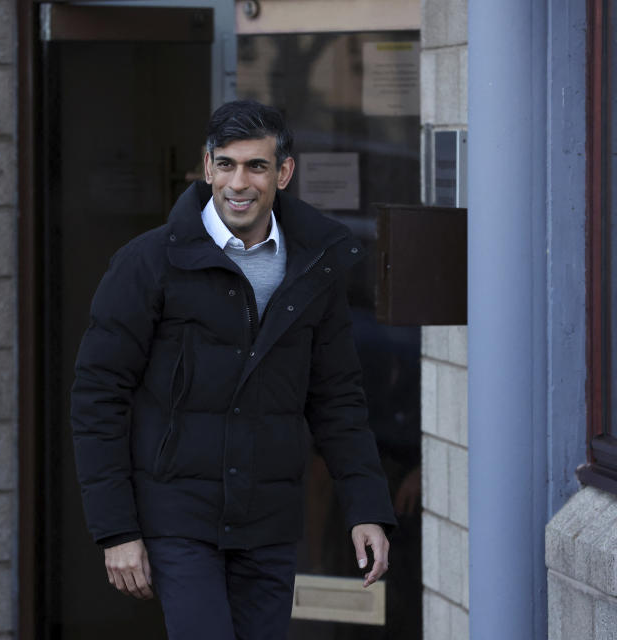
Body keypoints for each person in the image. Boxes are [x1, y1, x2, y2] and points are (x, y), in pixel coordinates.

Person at [70, 100, 396, 640]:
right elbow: (97, 397)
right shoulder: (148, 263)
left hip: (268, 519)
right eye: (226, 164)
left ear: (284, 172)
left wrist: (367, 508)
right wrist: (117, 530)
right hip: (178, 514)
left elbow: (337, 398)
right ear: (207, 167)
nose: (238, 182)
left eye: (256, 166)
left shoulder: (316, 265)